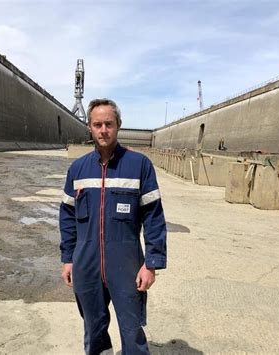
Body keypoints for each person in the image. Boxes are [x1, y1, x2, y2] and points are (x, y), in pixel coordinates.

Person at [59, 98, 167, 355]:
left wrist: (151, 263)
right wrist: (68, 258)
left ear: (119, 125)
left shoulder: (139, 165)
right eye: (98, 124)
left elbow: (154, 216)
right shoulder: (77, 169)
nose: (103, 130)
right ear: (90, 128)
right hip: (86, 263)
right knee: (93, 328)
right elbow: (67, 216)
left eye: (109, 124)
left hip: (127, 264)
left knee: (132, 330)